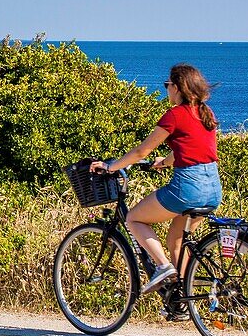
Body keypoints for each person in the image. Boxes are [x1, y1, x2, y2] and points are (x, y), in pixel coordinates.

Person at [90, 63, 221, 295]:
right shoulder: (206, 112)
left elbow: (141, 152)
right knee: (176, 241)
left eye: (167, 85)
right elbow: (195, 149)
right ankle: (182, 299)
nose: (166, 90)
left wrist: (111, 166)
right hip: (212, 189)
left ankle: (163, 267)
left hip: (187, 189)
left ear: (178, 87)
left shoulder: (175, 115)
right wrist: (166, 162)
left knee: (133, 219)